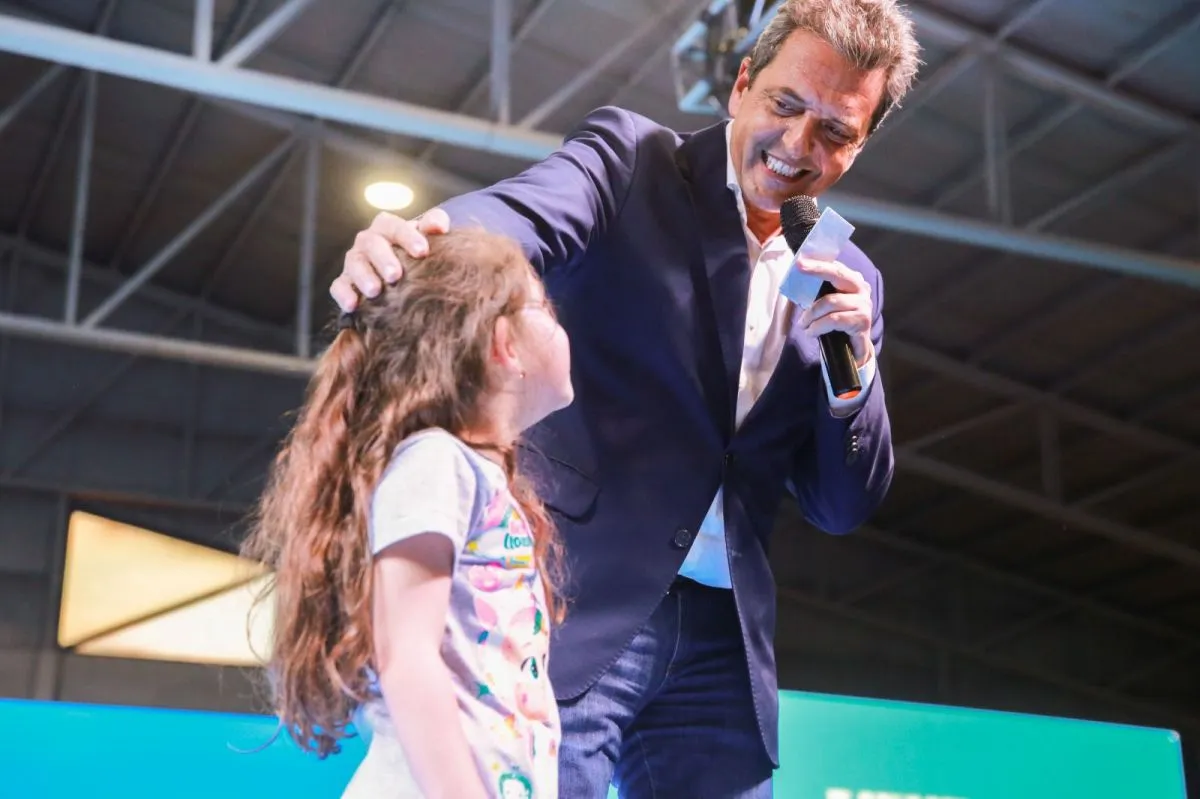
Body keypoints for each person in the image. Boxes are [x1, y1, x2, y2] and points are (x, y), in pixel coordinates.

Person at [331, 1, 919, 795]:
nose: (797, 144)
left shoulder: (851, 279)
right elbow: (514, 216)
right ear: (743, 82)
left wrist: (857, 384)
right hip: (579, 596)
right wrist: (419, 243)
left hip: (723, 645)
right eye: (785, 104)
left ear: (861, 143)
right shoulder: (634, 161)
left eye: (834, 131)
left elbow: (842, 504)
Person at [243, 228, 574, 798]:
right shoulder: (436, 463)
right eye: (544, 307)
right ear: (505, 344)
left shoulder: (474, 475)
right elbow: (406, 654)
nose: (561, 324)